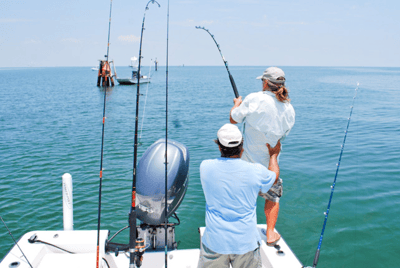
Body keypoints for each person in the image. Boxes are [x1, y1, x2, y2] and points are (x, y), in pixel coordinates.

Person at [198, 123, 281, 268]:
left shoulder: (205, 167)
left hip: (215, 242)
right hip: (246, 243)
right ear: (242, 147)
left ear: (219, 146)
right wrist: (273, 155)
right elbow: (273, 177)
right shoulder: (255, 171)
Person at [229, 67, 295, 246]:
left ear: (265, 82)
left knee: (243, 200)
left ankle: (241, 233)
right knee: (272, 198)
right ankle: (271, 233)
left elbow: (234, 119)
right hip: (271, 167)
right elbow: (284, 135)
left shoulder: (254, 99)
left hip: (248, 167)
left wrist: (237, 105)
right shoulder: (289, 109)